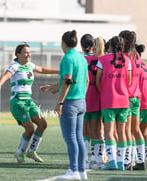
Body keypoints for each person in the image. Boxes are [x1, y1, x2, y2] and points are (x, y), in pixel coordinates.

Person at [0, 42, 59, 164]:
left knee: (43, 124)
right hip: (18, 102)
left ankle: (32, 151)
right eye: (25, 52)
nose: (28, 55)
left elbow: (42, 69)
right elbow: (6, 75)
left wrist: (59, 71)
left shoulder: (29, 65)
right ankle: (20, 153)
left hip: (29, 101)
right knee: (29, 128)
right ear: (18, 54)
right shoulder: (15, 65)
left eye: (29, 52)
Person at [56, 30, 89, 180]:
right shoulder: (82, 58)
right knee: (79, 138)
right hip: (82, 101)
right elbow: (87, 80)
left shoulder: (68, 58)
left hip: (70, 103)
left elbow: (67, 80)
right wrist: (81, 94)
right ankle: (82, 171)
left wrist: (60, 101)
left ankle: (73, 170)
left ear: (64, 43)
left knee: (70, 138)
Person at [95, 36, 131, 171]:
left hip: (108, 100)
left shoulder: (102, 60)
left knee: (109, 132)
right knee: (121, 132)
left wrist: (104, 91)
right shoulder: (127, 60)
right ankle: (121, 163)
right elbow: (128, 81)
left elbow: (98, 80)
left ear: (109, 46)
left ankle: (112, 162)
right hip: (124, 100)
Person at [119, 30, 146, 170]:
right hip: (137, 97)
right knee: (136, 130)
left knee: (127, 130)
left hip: (127, 97)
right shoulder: (137, 56)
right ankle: (141, 161)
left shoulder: (124, 57)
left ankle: (128, 161)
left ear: (125, 41)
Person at [80, 33, 105, 170]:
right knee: (97, 130)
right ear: (93, 46)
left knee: (84, 131)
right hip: (96, 95)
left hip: (83, 96)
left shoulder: (79, 59)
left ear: (81, 46)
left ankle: (83, 160)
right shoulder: (99, 59)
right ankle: (98, 159)